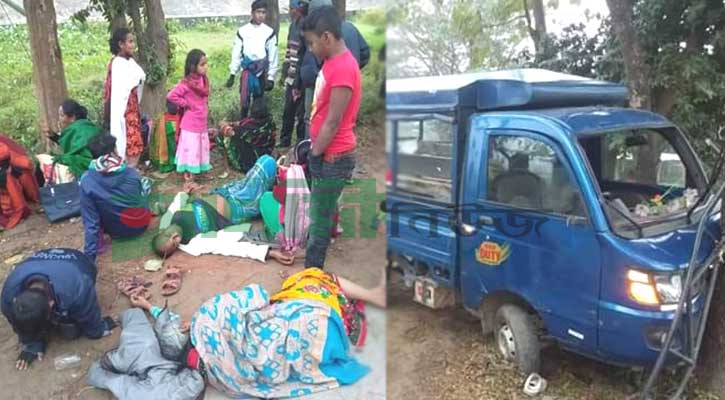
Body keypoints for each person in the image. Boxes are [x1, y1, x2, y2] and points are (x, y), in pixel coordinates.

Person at [124, 267, 385, 398]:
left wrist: (148, 306)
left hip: (324, 349)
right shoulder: (207, 317)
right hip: (315, 321)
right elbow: (257, 295)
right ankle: (375, 295)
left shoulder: (218, 377)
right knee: (309, 277)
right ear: (185, 328)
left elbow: (169, 329)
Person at [301, 6, 361, 269]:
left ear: (326, 37)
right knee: (322, 210)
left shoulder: (344, 68)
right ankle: (316, 255)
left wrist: (315, 153)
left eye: (312, 43)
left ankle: (312, 273)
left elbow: (333, 121)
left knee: (319, 220)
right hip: (326, 151)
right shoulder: (331, 61)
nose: (310, 49)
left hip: (334, 156)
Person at [1, 248, 118, 371]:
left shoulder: (77, 287)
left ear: (51, 304)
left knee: (71, 332)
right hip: (41, 262)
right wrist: (31, 344)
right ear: (15, 300)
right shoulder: (9, 295)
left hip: (78, 261)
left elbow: (88, 312)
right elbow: (20, 323)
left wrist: (97, 329)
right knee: (32, 321)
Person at [298, 0, 369, 138]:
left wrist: (315, 150)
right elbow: (365, 53)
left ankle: (309, 145)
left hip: (322, 85)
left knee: (318, 119)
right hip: (340, 86)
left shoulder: (318, 35)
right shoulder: (349, 28)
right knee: (340, 119)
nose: (311, 48)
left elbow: (308, 68)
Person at [80, 134, 152, 263]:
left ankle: (99, 243)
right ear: (113, 152)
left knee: (91, 208)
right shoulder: (131, 173)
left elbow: (91, 222)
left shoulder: (87, 180)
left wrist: (89, 259)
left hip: (117, 232)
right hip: (141, 225)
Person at [226, 0, 279, 119]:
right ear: (252, 13)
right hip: (246, 71)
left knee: (258, 102)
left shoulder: (269, 32)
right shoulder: (243, 31)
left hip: (260, 72)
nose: (261, 15)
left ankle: (256, 126)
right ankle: (243, 123)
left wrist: (271, 77)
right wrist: (232, 73)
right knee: (244, 102)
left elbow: (273, 55)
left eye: (263, 12)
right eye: (258, 12)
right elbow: (236, 52)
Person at [167, 49, 211, 190]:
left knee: (198, 150)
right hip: (191, 125)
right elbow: (171, 96)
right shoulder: (186, 84)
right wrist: (186, 104)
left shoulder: (203, 80)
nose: (205, 67)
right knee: (192, 152)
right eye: (202, 64)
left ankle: (195, 175)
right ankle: (189, 181)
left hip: (201, 123)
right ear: (193, 66)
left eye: (206, 64)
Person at [104, 27, 146, 168]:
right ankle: (128, 171)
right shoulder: (117, 64)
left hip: (133, 110)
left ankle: (130, 171)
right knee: (130, 143)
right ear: (121, 44)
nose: (133, 45)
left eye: (133, 41)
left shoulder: (130, 61)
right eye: (130, 42)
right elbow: (117, 91)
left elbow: (140, 77)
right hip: (125, 112)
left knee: (135, 143)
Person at [38, 99, 100, 184]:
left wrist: (61, 159)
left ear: (72, 118)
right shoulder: (85, 125)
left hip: (91, 167)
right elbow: (74, 146)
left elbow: (85, 158)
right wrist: (54, 136)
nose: (59, 119)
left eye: (62, 116)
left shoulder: (77, 130)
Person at [278, 0, 309, 148]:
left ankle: (300, 144)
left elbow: (304, 56)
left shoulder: (305, 26)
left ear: (299, 9)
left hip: (301, 78)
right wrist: (284, 73)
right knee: (288, 111)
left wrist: (298, 80)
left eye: (292, 8)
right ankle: (284, 141)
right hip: (291, 76)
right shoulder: (292, 26)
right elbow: (289, 52)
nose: (290, 11)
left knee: (301, 113)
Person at [217, 97, 276, 173]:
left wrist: (224, 126)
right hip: (266, 158)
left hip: (252, 161)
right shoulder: (270, 122)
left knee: (221, 135)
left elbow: (231, 131)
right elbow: (239, 123)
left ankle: (230, 165)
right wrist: (230, 124)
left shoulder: (247, 127)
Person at [0, 135, 39, 229]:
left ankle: (32, 198)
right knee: (8, 178)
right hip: (5, 170)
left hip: (8, 164)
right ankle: (16, 207)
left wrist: (9, 164)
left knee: (23, 168)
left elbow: (9, 152)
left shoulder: (2, 140)